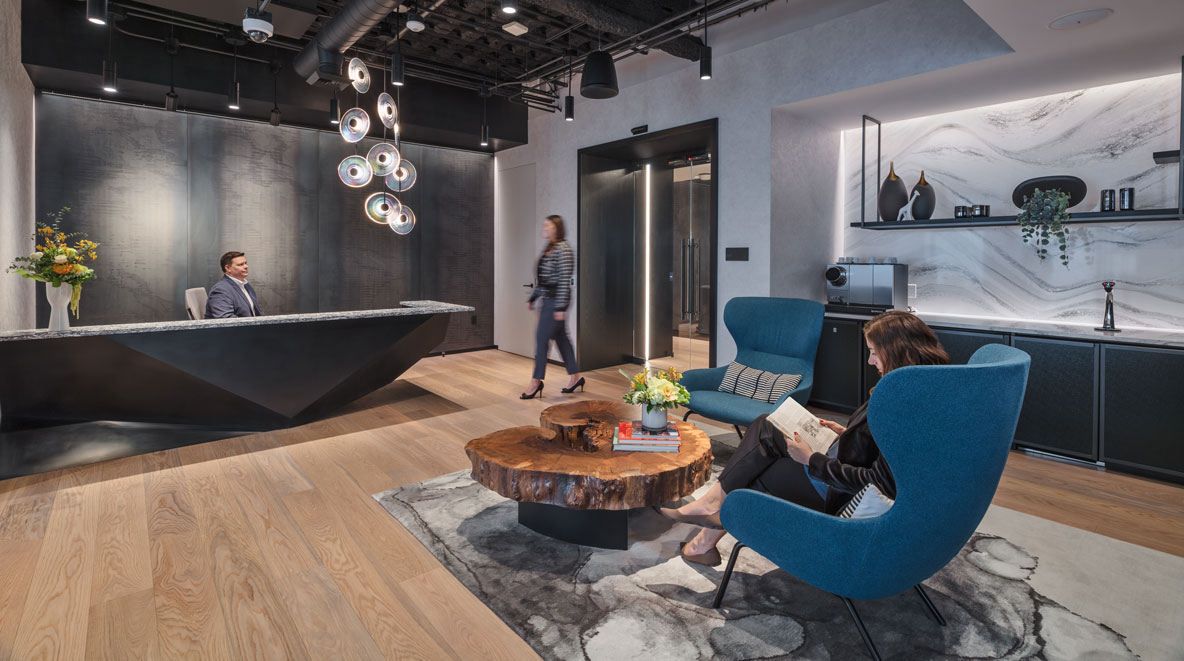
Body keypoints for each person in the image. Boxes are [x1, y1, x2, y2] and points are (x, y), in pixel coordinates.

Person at [660, 310, 950, 566]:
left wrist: (811, 460)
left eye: (874, 351)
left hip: (841, 493)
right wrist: (847, 435)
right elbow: (885, 452)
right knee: (766, 425)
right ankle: (707, 523)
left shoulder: (898, 401)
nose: (870, 360)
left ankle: (704, 534)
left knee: (760, 466)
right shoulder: (926, 387)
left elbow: (879, 481)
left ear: (897, 349)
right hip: (844, 466)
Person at [521, 215, 582, 398]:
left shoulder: (563, 249)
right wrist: (533, 297)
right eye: (544, 224)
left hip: (555, 302)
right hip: (547, 301)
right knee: (562, 340)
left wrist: (561, 308)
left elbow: (563, 280)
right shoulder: (550, 248)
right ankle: (575, 377)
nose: (544, 227)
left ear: (556, 228)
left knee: (541, 340)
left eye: (548, 225)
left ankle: (536, 381)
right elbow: (544, 280)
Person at [205, 251, 263, 319]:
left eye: (245, 263)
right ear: (228, 268)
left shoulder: (246, 285)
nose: (246, 266)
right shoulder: (220, 290)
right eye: (240, 264)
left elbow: (257, 313)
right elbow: (226, 320)